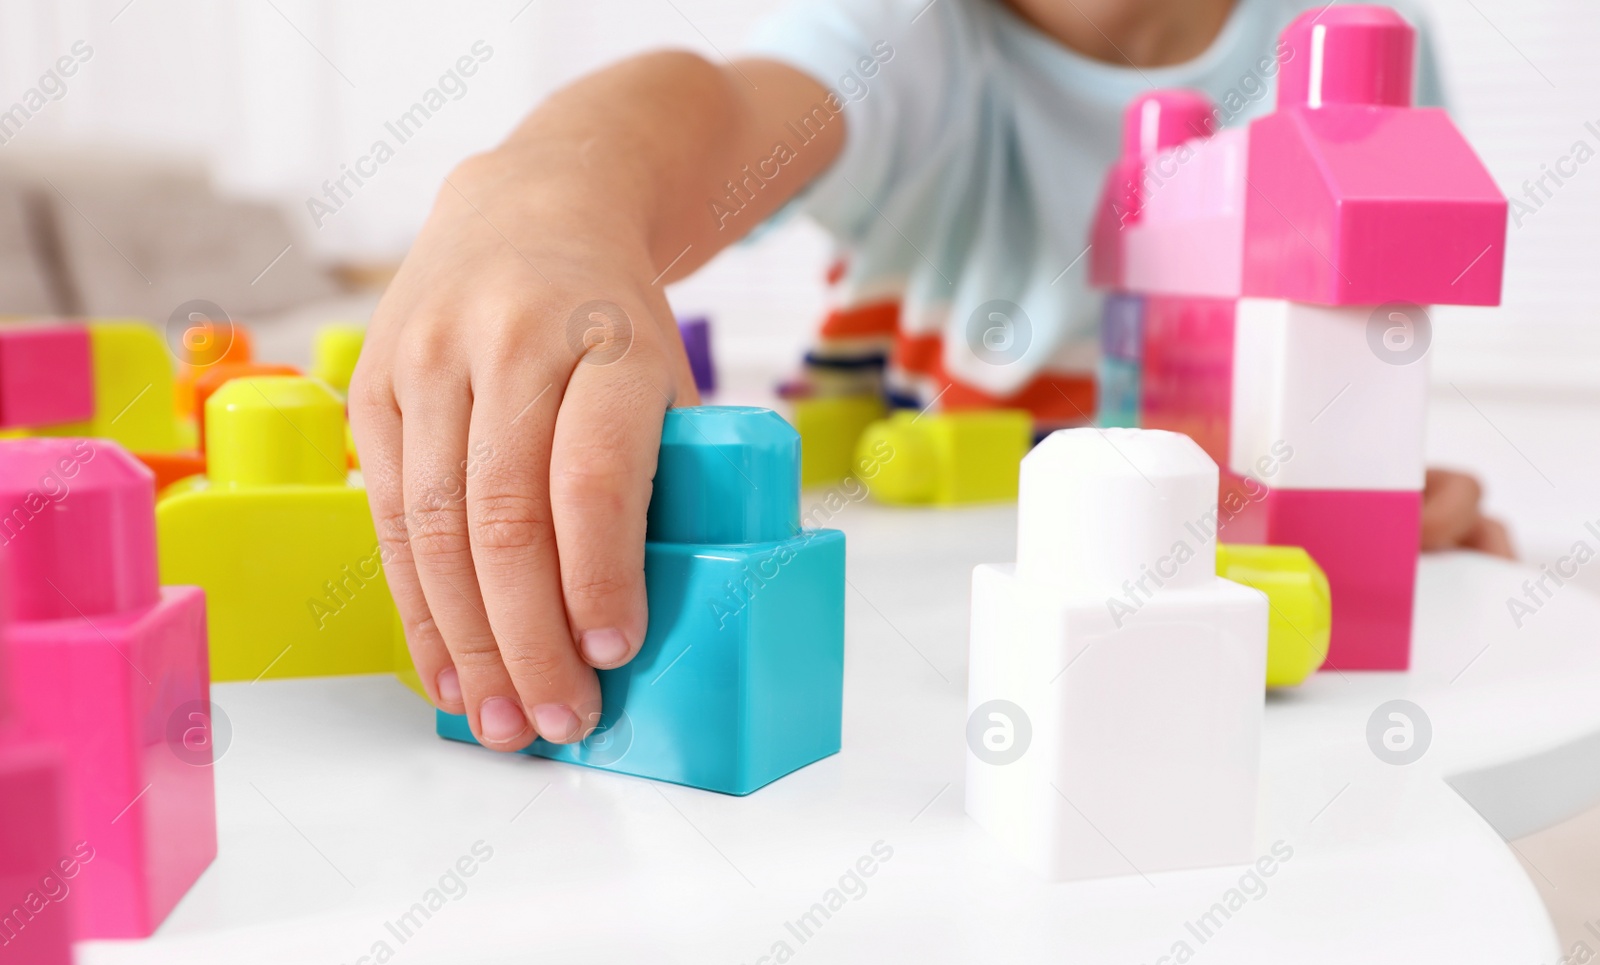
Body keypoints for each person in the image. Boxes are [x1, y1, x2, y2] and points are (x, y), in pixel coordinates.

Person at [349, 0, 1510, 753]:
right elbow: (712, 108)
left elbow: (1361, 336)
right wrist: (548, 195)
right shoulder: (909, 34)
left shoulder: (1358, 48)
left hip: (1178, 649)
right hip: (901, 610)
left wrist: (1360, 483)